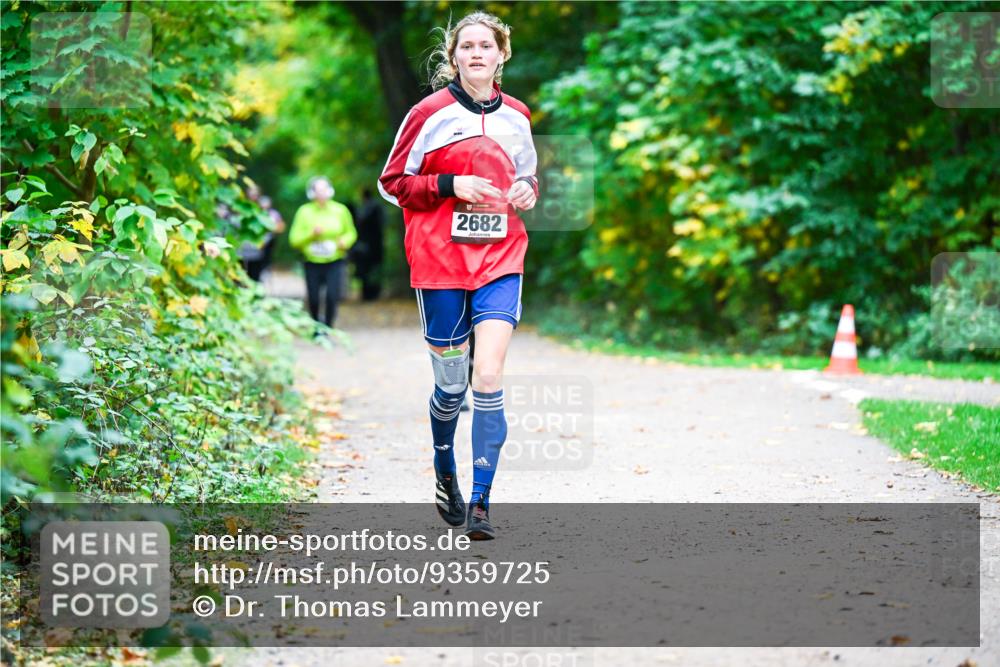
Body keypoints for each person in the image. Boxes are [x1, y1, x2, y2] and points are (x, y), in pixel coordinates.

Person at [378, 11, 538, 540]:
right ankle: (444, 461)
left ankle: (482, 503)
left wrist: (527, 191)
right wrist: (449, 185)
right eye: (466, 46)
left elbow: (527, 176)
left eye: (485, 46)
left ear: (501, 55)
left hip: (499, 257)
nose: (476, 53)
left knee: (487, 377)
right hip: (440, 263)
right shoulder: (429, 112)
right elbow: (392, 182)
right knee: (451, 389)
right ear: (453, 58)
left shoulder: (518, 115)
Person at [289, 176, 357, 329]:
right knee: (313, 298)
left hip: (335, 261)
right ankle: (316, 325)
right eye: (318, 190)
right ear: (311, 193)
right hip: (311, 262)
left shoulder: (340, 210)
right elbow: (294, 239)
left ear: (330, 190)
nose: (321, 193)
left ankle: (328, 326)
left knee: (332, 296)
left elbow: (351, 233)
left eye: (324, 189)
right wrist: (311, 234)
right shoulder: (304, 212)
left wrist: (344, 242)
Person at [352, 188, 386, 302]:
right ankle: (372, 293)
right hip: (376, 244)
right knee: (373, 268)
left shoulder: (366, 209)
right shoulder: (377, 207)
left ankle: (369, 294)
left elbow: (360, 224)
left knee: (366, 270)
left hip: (367, 245)